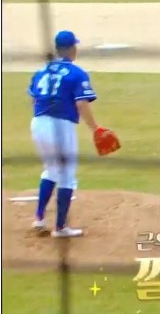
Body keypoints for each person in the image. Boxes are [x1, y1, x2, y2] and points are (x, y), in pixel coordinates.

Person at [29, 31, 110, 238]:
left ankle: (39, 219)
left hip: (38, 124)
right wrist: (95, 128)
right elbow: (81, 103)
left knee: (50, 170)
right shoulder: (76, 73)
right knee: (67, 175)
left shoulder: (41, 71)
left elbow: (33, 99)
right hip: (61, 127)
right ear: (72, 48)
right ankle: (61, 228)